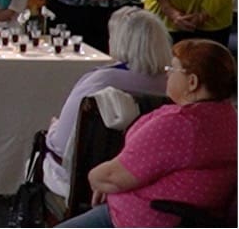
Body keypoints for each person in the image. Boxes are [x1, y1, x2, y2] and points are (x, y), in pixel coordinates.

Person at [56, 39, 236, 228]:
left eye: (173, 69)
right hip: (189, 216)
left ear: (192, 82)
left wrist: (98, 179)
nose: (167, 74)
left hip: (145, 218)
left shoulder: (183, 124)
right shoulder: (228, 116)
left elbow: (109, 177)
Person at [42, 8, 172, 210]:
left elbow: (61, 144)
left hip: (86, 180)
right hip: (145, 178)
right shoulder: (172, 86)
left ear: (120, 42)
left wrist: (52, 131)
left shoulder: (100, 81)